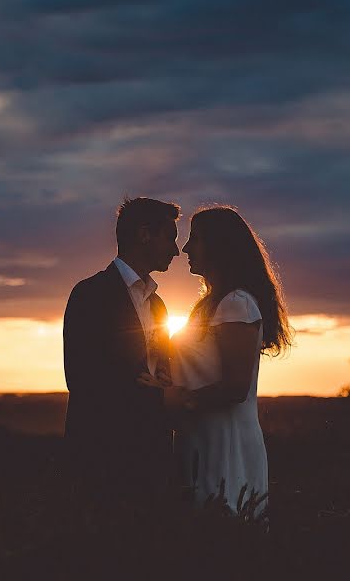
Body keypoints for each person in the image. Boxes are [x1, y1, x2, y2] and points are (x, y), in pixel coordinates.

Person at [140, 206, 292, 516]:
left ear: (218, 246)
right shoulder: (210, 306)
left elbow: (236, 387)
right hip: (201, 440)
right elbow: (199, 368)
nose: (184, 249)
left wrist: (180, 399)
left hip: (226, 445)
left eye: (194, 239)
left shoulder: (237, 304)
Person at [63, 197, 183, 491]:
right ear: (144, 235)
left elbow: (160, 370)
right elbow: (81, 378)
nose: (176, 251)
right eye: (170, 238)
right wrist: (156, 398)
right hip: (103, 457)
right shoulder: (89, 295)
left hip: (153, 454)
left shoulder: (158, 305)